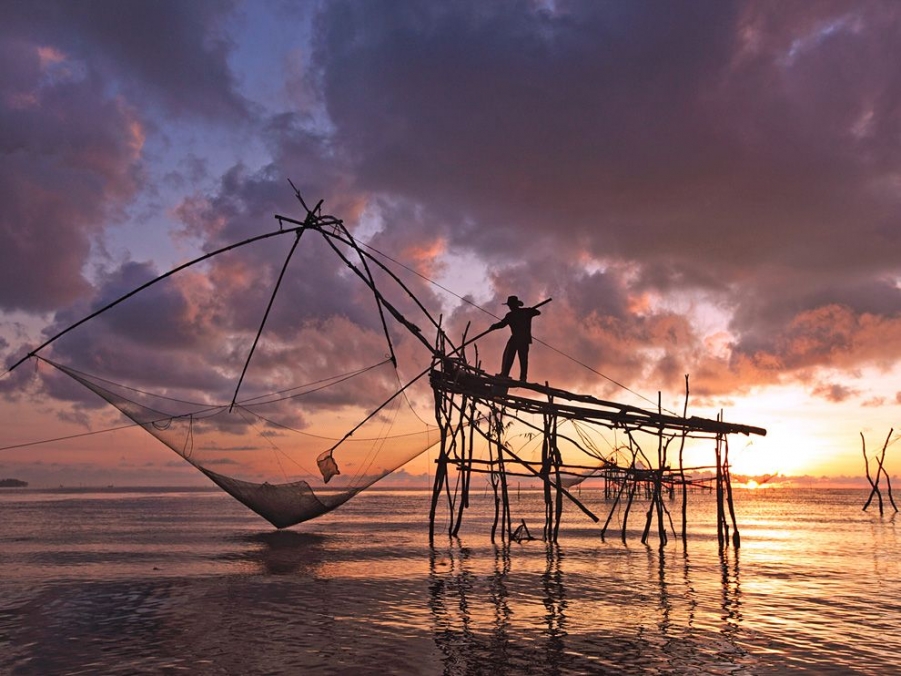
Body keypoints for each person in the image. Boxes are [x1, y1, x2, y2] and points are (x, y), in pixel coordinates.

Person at [490, 295, 542, 381]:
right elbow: (537, 312)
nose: (510, 307)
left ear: (513, 305)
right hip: (523, 339)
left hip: (517, 339)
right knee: (519, 358)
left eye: (510, 305)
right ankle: (519, 376)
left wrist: (493, 326)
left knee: (515, 357)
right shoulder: (524, 312)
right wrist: (529, 310)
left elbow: (502, 324)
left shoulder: (513, 314)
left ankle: (511, 375)